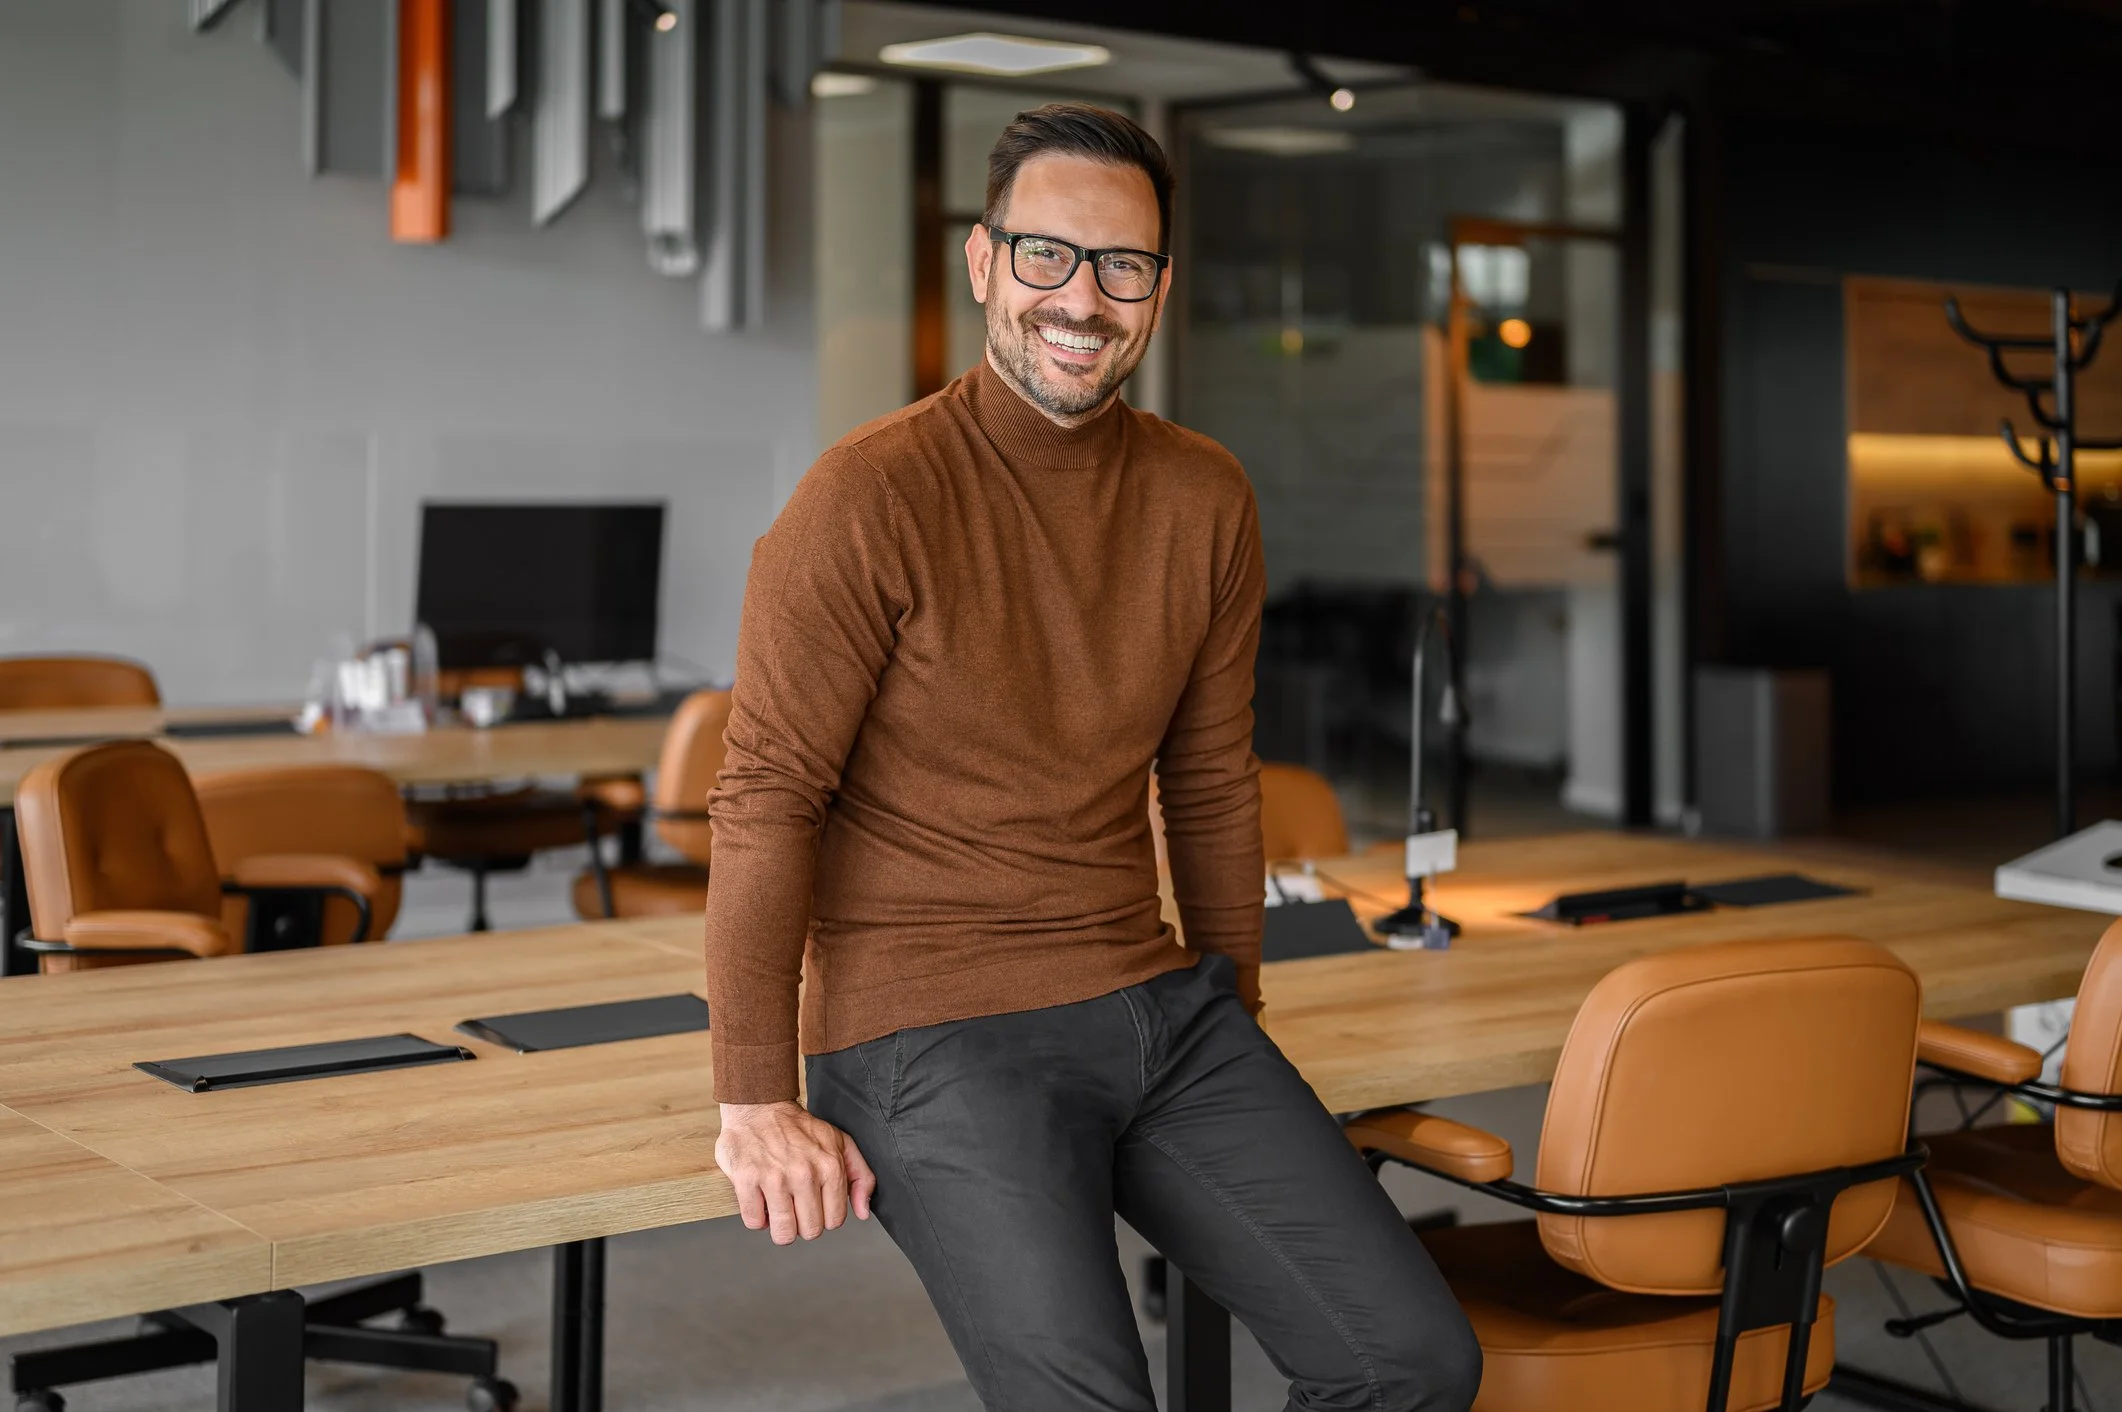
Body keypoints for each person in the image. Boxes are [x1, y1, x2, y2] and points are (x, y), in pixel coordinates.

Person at [703, 101, 1480, 1412]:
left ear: (1159, 289)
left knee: (1407, 1361)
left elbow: (1210, 776)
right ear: (983, 261)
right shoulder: (867, 496)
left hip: (1157, 1005)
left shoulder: (1203, 493)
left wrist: (1235, 1006)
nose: (1081, 299)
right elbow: (766, 798)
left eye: (1122, 265)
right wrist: (753, 1098)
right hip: (928, 1025)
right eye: (1047, 255)